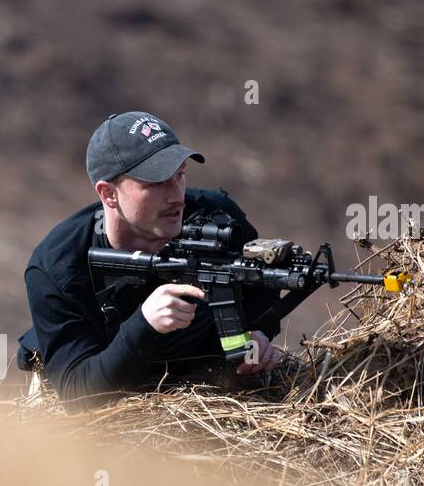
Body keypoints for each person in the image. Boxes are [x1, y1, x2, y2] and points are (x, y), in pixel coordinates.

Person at [17, 111, 283, 409]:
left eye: (180, 175)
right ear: (108, 194)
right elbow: (79, 398)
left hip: (188, 377)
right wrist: (144, 324)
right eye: (155, 183)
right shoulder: (57, 267)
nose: (176, 197)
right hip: (86, 391)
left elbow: (262, 287)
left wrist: (258, 333)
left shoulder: (216, 220)